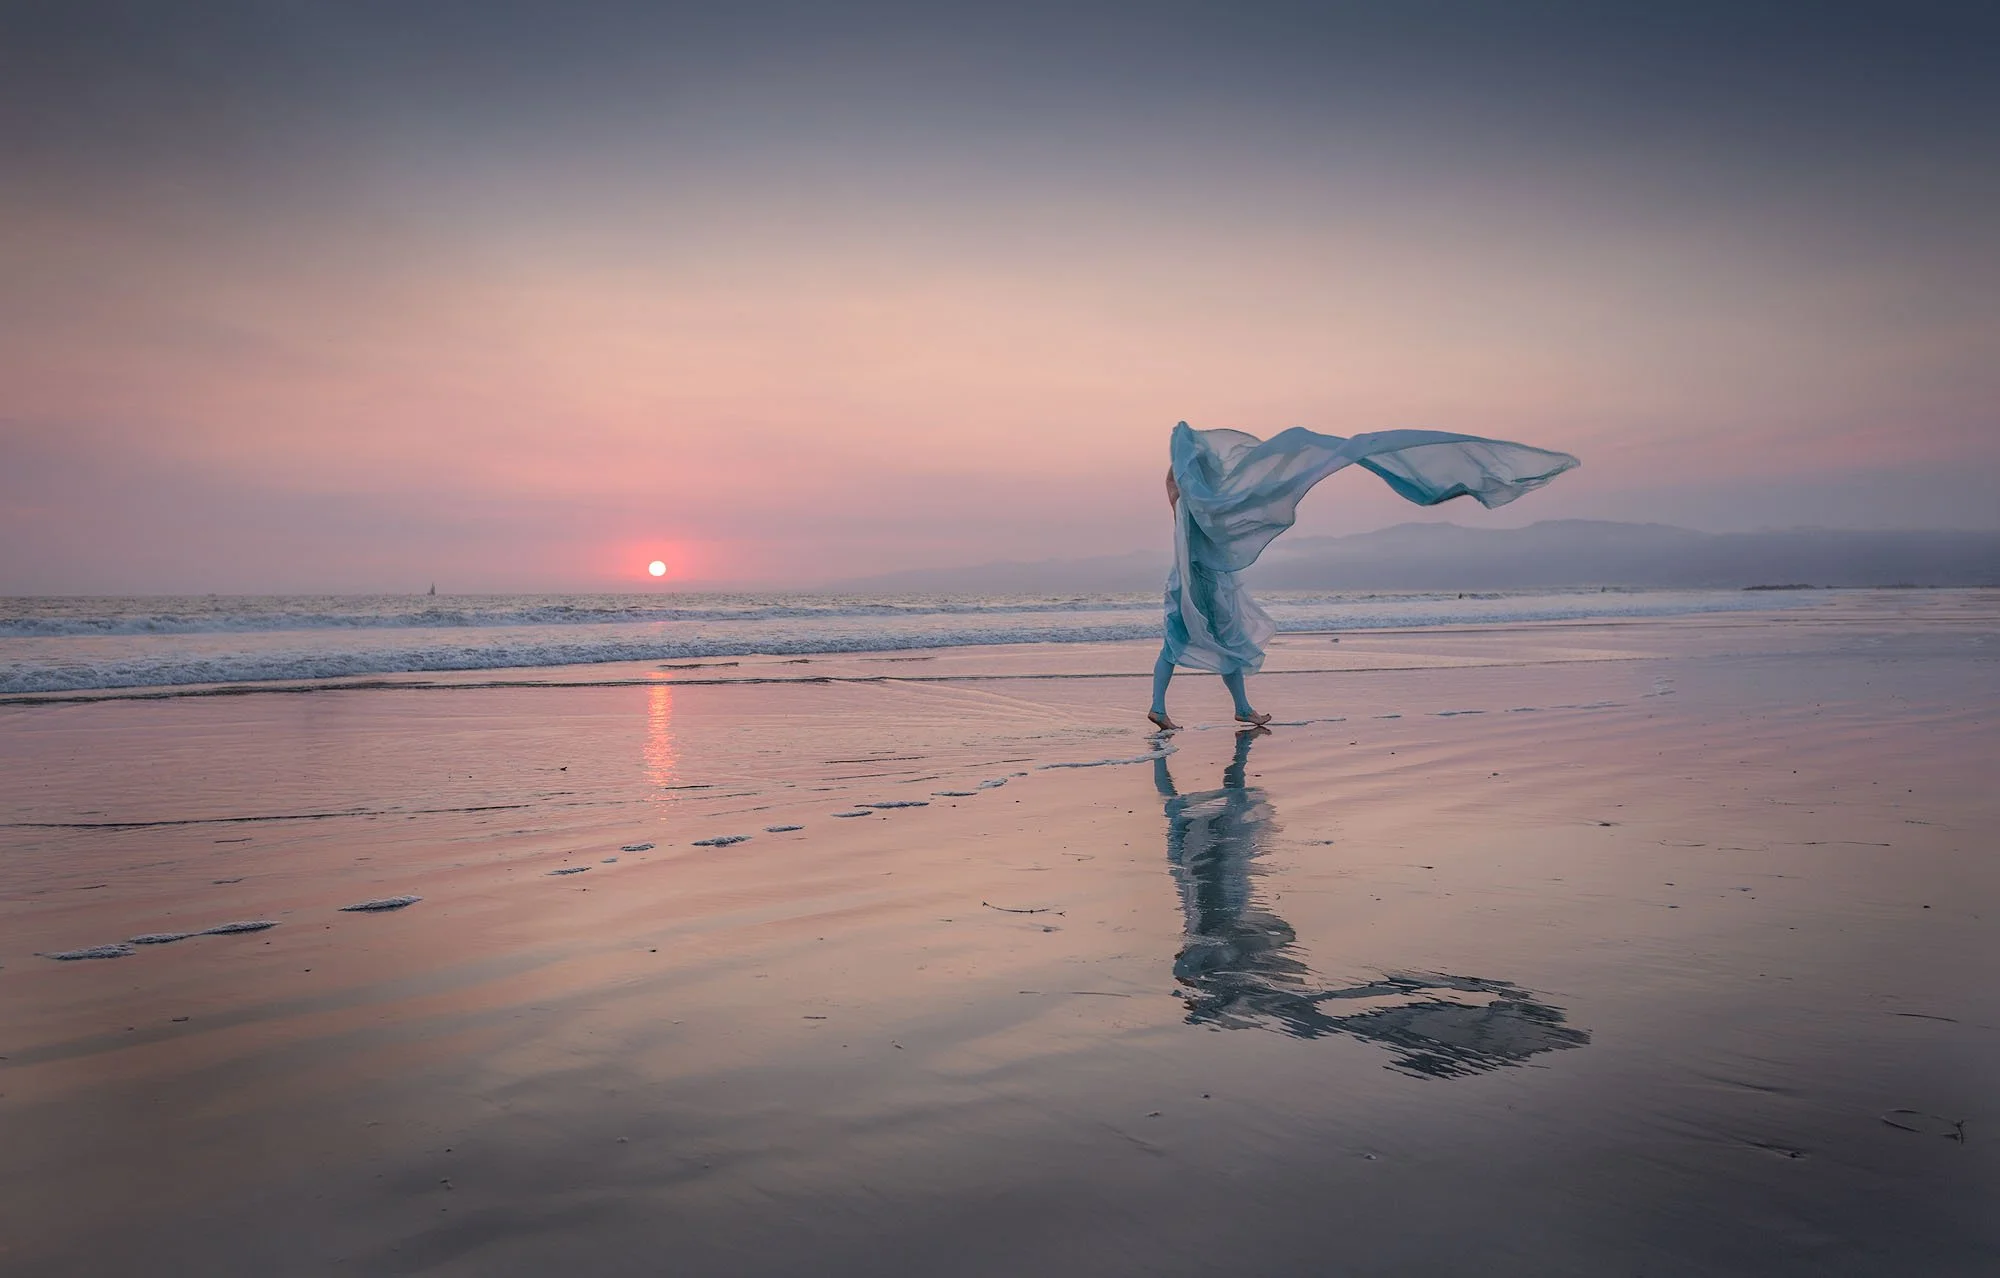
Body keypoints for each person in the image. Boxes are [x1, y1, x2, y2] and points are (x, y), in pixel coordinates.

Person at [1147, 420, 1578, 732]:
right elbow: (1234, 494)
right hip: (1207, 579)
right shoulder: (1214, 504)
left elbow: (1176, 479)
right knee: (1217, 639)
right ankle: (1196, 708)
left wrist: (1185, 461)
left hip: (1192, 577)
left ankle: (1212, 708)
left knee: (1204, 639)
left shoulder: (1189, 500)